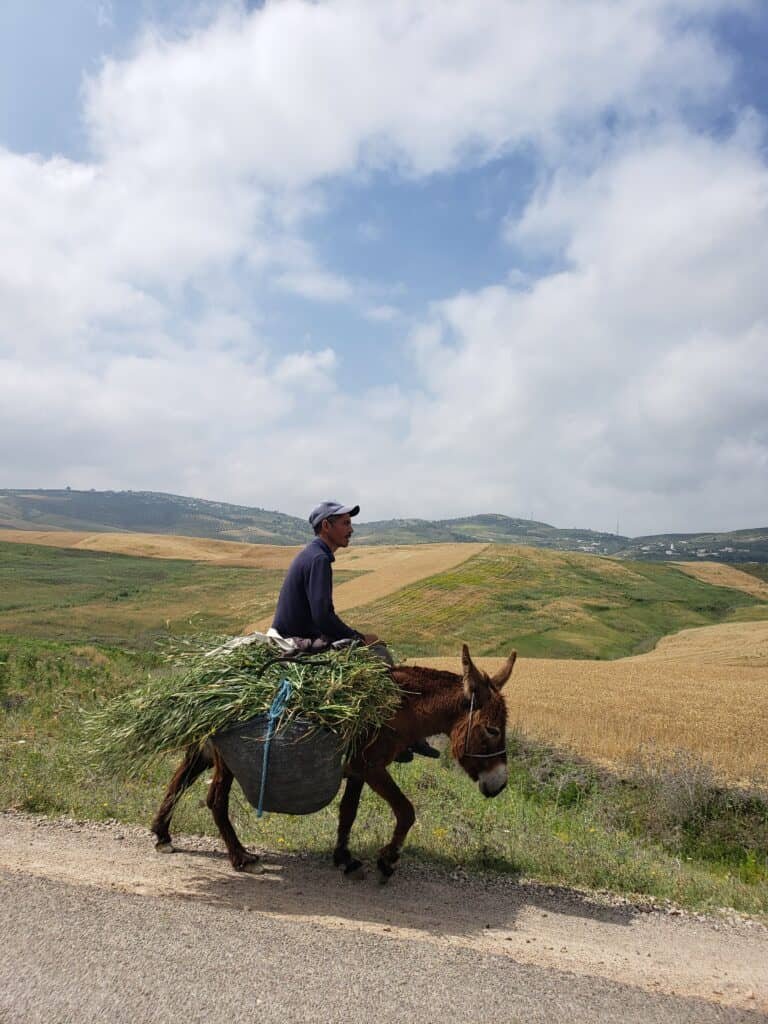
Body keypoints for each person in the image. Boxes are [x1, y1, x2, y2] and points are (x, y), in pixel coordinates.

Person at [271, 500, 439, 760]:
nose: (351, 529)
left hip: (300, 635)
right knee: (379, 654)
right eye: (345, 523)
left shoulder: (315, 555)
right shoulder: (318, 559)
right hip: (296, 641)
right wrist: (359, 639)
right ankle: (396, 738)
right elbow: (323, 617)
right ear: (326, 526)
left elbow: (322, 617)